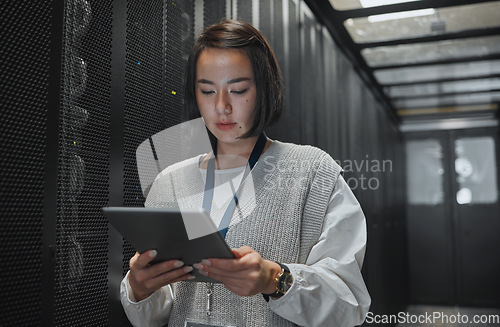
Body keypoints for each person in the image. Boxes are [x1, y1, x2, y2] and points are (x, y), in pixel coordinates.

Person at [120, 20, 370, 327]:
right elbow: (156, 314)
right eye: (207, 91)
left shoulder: (313, 172)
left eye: (238, 90)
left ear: (265, 89)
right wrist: (140, 288)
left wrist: (275, 279)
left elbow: (349, 305)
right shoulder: (169, 182)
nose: (221, 106)